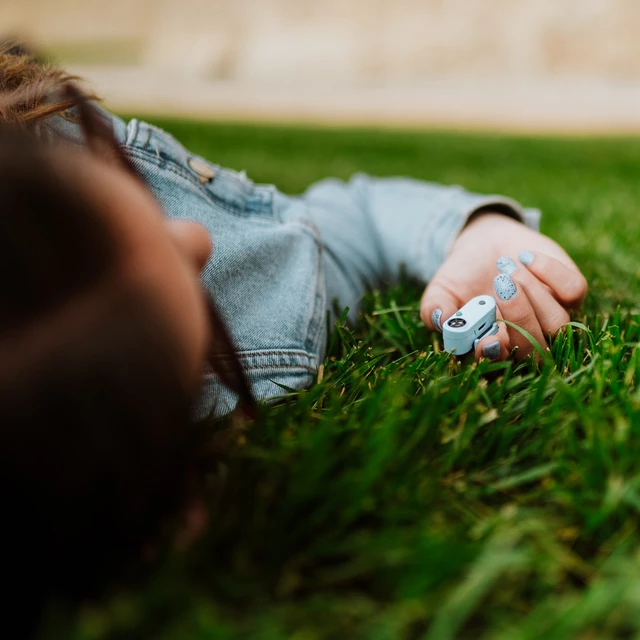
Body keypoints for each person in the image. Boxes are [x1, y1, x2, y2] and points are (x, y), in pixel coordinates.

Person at [0, 43, 587, 627]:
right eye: (187, 295)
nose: (199, 239)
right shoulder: (248, 312)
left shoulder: (46, 139)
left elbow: (352, 221)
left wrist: (474, 230)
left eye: (136, 201)